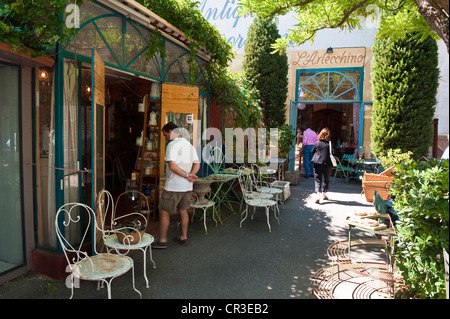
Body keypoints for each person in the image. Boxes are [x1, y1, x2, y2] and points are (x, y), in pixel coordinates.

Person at [153, 122, 200, 248]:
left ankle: (162, 241)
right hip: (187, 186)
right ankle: (183, 237)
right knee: (183, 211)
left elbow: (172, 166)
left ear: (170, 131)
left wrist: (187, 175)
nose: (166, 138)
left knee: (163, 211)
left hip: (174, 186)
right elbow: (197, 164)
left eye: (165, 135)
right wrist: (191, 175)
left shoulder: (172, 145)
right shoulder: (189, 145)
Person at [311, 127, 334, 204]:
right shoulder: (330, 144)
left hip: (318, 163)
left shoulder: (316, 143)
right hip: (328, 164)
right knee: (326, 179)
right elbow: (333, 153)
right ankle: (324, 195)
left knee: (318, 179)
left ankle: (318, 196)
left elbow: (312, 151)